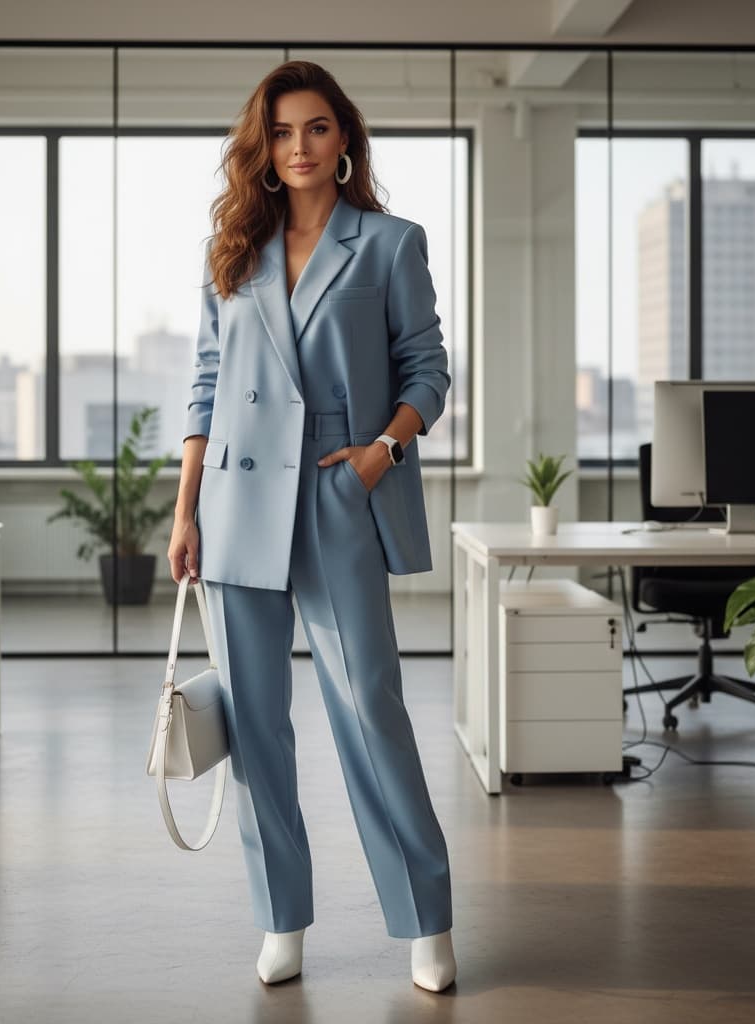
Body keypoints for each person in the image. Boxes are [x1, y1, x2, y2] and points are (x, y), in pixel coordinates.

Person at [167, 59, 455, 993]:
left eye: (318, 129)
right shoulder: (231, 255)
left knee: (371, 709)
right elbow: (206, 390)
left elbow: (427, 372)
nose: (300, 147)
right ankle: (280, 916)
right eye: (283, 131)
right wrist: (184, 510)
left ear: (345, 142)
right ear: (264, 146)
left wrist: (382, 450)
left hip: (338, 488)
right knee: (255, 727)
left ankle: (424, 917)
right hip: (238, 499)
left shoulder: (389, 244)